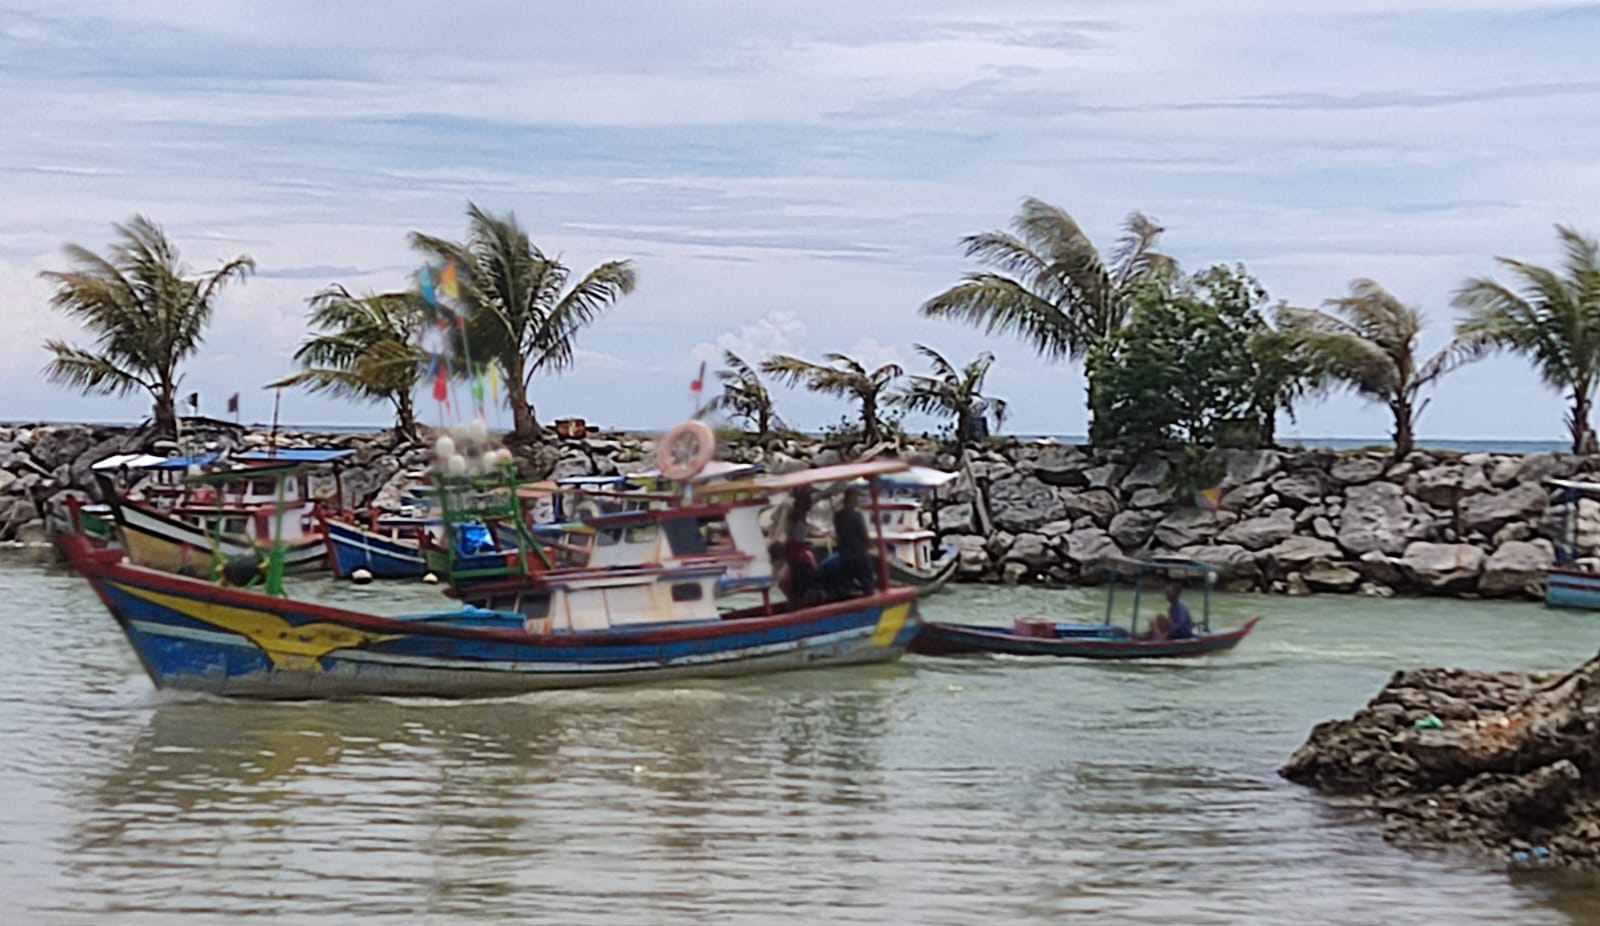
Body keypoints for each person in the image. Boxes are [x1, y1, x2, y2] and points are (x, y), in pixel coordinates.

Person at [830, 486, 876, 597]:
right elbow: (863, 535)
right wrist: (870, 545)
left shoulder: (838, 516)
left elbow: (839, 534)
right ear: (852, 498)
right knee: (868, 585)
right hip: (859, 555)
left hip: (845, 556)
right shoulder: (856, 516)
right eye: (856, 497)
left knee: (845, 586)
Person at [782, 486, 818, 603]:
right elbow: (795, 533)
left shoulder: (799, 515)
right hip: (796, 552)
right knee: (804, 573)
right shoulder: (796, 515)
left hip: (796, 549)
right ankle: (804, 595)